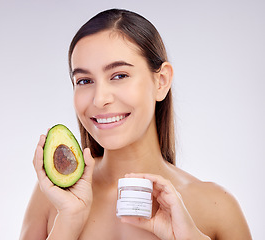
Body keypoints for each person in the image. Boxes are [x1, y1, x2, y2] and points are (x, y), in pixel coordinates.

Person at [20, 9, 252, 240]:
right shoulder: (53, 196)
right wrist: (68, 221)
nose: (100, 99)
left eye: (119, 75)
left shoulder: (217, 207)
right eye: (84, 80)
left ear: (161, 81)